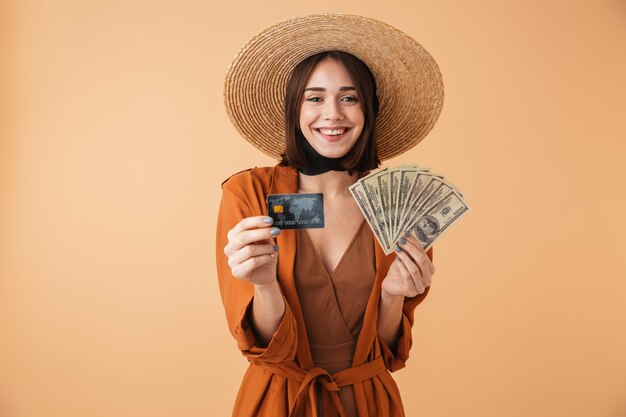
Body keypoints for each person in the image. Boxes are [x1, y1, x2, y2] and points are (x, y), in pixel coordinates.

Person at [216, 13, 444, 417]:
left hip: (367, 402)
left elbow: (388, 351)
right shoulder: (249, 193)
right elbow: (260, 345)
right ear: (295, 108)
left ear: (368, 109)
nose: (333, 114)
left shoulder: (397, 202)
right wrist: (265, 285)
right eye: (315, 97)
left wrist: (393, 297)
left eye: (349, 97)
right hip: (278, 401)